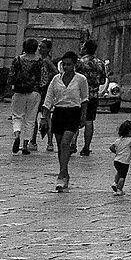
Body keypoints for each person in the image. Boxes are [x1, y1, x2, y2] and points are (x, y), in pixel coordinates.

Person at [45, 50, 89, 192]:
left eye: (69, 64)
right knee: (60, 145)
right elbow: (49, 97)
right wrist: (44, 117)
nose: (66, 67)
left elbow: (84, 99)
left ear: (74, 65)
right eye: (63, 64)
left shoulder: (81, 80)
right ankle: (65, 173)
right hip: (58, 112)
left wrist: (83, 116)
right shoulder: (56, 79)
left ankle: (61, 175)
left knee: (65, 143)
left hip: (73, 112)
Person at [7, 37, 43, 157]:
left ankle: (17, 135)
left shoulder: (17, 59)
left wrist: (11, 87)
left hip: (19, 90)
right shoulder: (40, 61)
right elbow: (44, 78)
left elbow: (11, 75)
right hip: (34, 91)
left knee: (17, 116)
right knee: (30, 119)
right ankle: (26, 144)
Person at [78, 36, 104, 156]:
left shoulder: (80, 63)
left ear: (86, 48)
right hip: (93, 95)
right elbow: (103, 80)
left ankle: (73, 143)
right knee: (89, 121)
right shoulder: (100, 63)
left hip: (79, 94)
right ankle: (86, 146)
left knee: (76, 119)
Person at [34, 40, 58, 152]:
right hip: (41, 91)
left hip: (44, 92)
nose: (40, 49)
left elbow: (56, 72)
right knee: (36, 117)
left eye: (43, 47)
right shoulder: (39, 59)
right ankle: (34, 140)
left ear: (48, 49)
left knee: (45, 117)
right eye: (40, 47)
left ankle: (49, 142)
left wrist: (46, 78)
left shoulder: (46, 60)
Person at [109, 119, 131, 194]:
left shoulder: (118, 140)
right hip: (124, 162)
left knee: (119, 172)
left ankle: (115, 183)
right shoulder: (130, 141)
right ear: (129, 132)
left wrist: (117, 153)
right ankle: (119, 190)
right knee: (123, 176)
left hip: (116, 160)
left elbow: (111, 147)